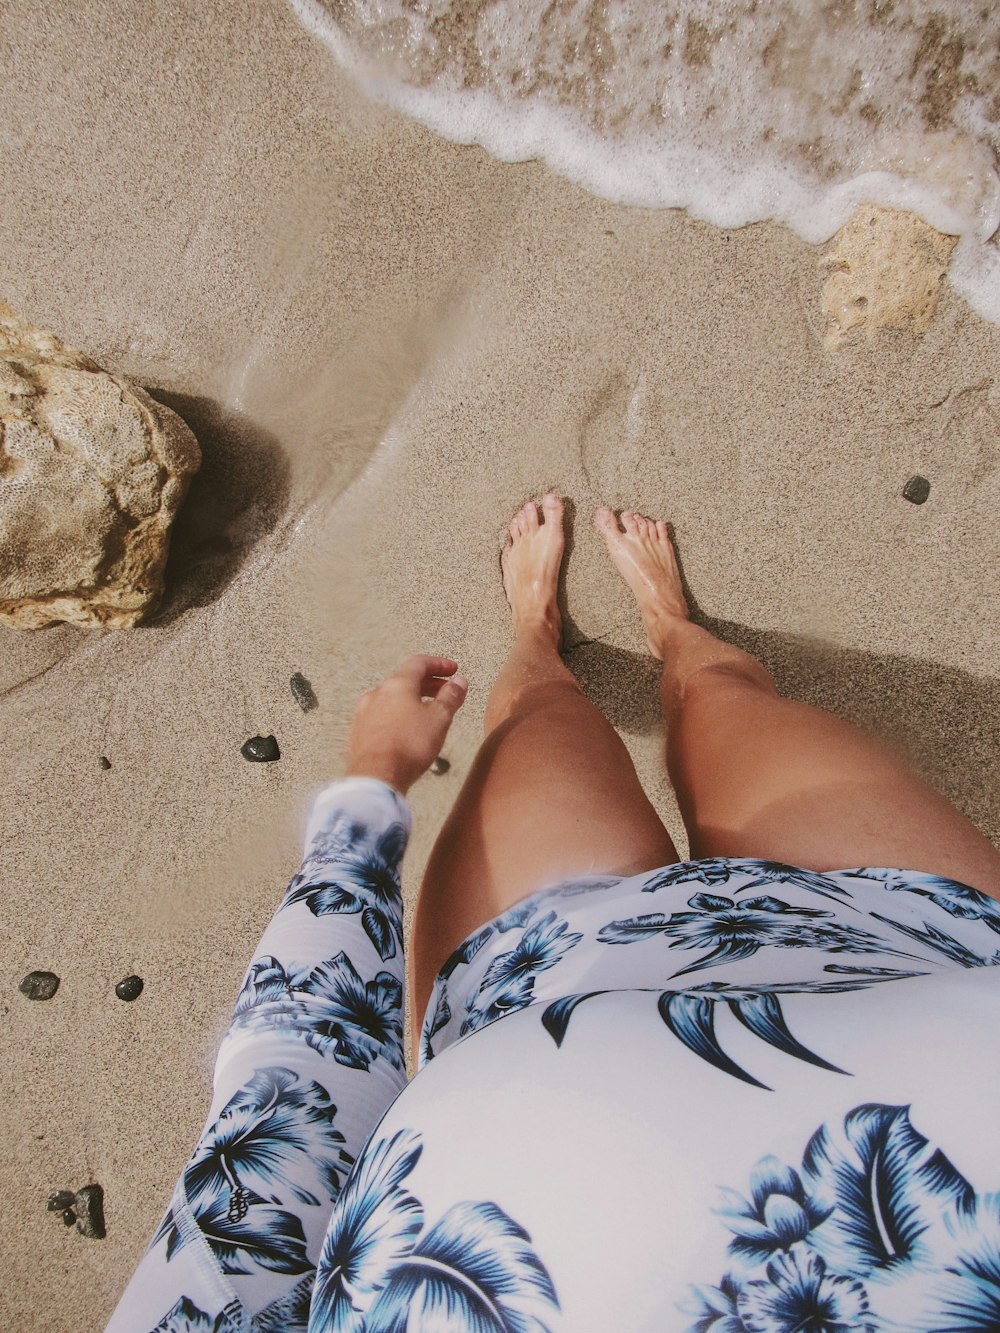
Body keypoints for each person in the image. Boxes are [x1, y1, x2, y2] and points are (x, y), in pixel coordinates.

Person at [108, 496, 1000, 1333]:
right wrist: (367, 789)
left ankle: (545, 636)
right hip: (899, 932)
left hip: (534, 974)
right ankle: (672, 633)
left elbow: (288, 1114)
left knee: (538, 713)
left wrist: (372, 788)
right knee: (727, 697)